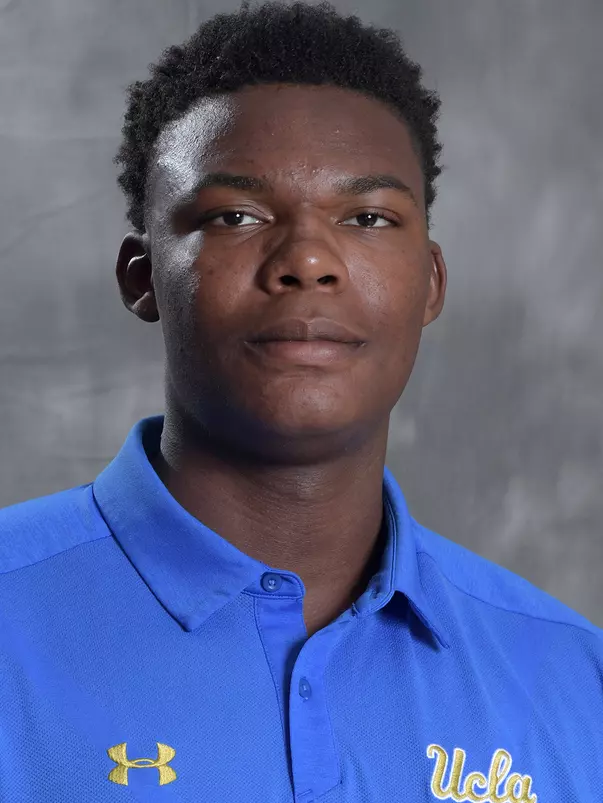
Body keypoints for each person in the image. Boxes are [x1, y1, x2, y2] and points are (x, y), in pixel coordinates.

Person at [1, 1, 601, 800]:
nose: (307, 260)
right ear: (143, 279)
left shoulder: (574, 677)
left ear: (430, 282)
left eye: (367, 217)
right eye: (235, 215)